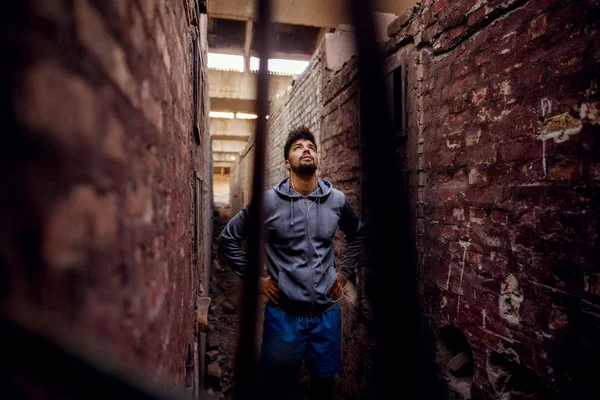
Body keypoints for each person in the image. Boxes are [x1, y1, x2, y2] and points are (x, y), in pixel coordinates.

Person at [218, 126, 364, 399]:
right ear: (287, 164)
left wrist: (343, 274)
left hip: (326, 317)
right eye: (298, 147)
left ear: (318, 157)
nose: (306, 149)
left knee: (323, 386)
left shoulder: (337, 201)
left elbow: (357, 235)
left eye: (310, 146)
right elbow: (229, 239)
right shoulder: (268, 202)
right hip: (283, 318)